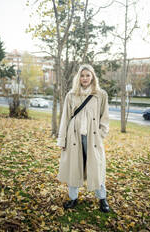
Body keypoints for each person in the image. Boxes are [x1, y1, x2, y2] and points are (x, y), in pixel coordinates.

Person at [57, 64, 110, 212]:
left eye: (88, 75)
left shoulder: (101, 94)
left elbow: (104, 117)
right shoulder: (71, 94)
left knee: (97, 167)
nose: (85, 78)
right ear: (78, 77)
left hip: (93, 139)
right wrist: (62, 139)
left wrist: (101, 134)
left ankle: (102, 198)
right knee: (74, 167)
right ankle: (73, 198)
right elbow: (65, 118)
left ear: (92, 76)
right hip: (73, 137)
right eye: (82, 75)